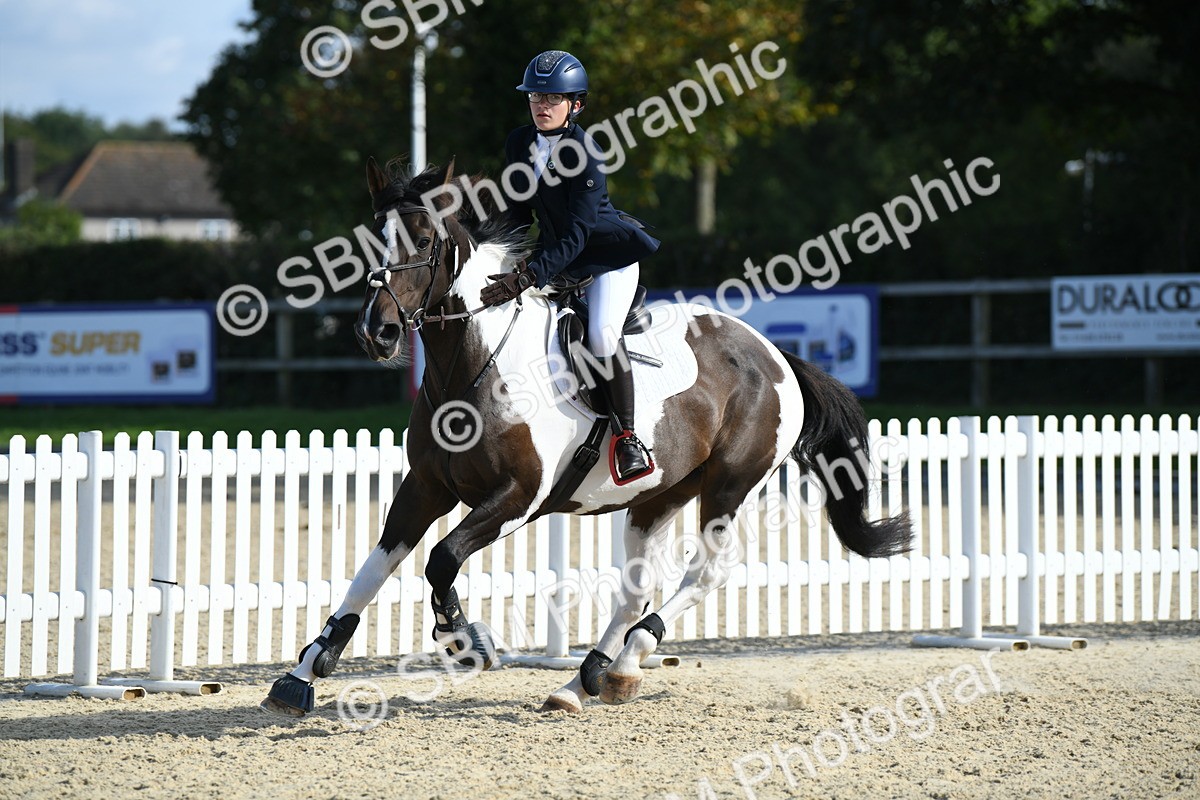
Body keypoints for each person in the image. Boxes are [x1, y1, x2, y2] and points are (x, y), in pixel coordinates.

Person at [480, 50, 660, 485]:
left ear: (575, 105)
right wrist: (495, 249)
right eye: (536, 96)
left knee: (599, 333)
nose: (542, 105)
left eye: (552, 98)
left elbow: (578, 235)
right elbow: (521, 212)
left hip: (605, 257)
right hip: (557, 254)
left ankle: (628, 438)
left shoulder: (587, 153)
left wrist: (528, 276)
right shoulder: (519, 142)